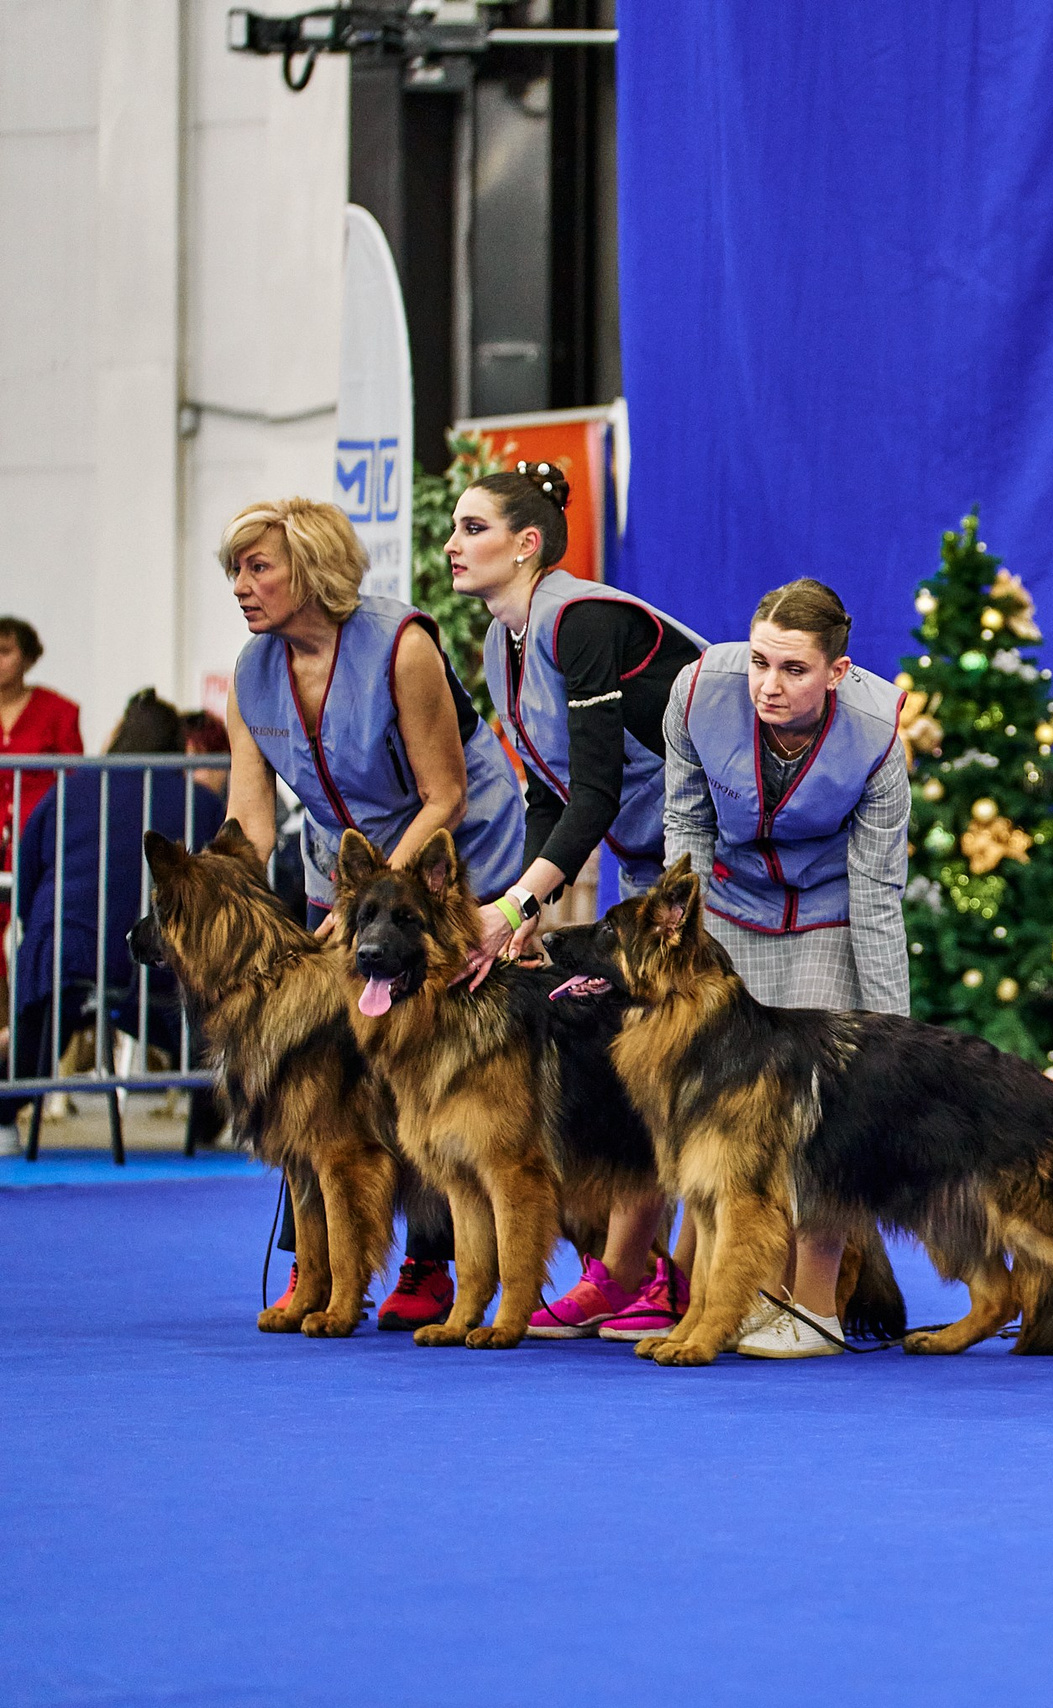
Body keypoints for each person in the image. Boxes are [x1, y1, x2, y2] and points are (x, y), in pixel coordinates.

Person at [221, 496, 527, 1330]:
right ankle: (316, 1261)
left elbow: (446, 794)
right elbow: (248, 825)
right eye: (235, 572)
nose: (242, 588)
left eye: (259, 568)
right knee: (339, 1070)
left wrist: (367, 911)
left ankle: (433, 1261)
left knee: (435, 1059)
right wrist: (220, 896)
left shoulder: (403, 645)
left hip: (452, 860)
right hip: (348, 875)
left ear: (312, 568)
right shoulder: (251, 674)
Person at [451, 460, 708, 1339]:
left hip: (712, 865)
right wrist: (523, 910)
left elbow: (595, 792)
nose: (452, 545)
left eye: (473, 528)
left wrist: (520, 909)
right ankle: (631, 1273)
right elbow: (547, 794)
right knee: (643, 1066)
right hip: (647, 859)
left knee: (686, 1069)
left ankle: (664, 1276)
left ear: (528, 545)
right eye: (455, 528)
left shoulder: (585, 620)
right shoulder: (499, 641)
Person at [659, 578, 911, 1357]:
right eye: (761, 662)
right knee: (728, 1126)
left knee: (819, 1130)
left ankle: (813, 1311)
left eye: (794, 670)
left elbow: (877, 891)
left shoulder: (877, 733)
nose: (768, 685)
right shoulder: (698, 691)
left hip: (828, 915)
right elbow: (686, 821)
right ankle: (746, 1299)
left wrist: (890, 1032)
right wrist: (681, 943)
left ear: (836, 672)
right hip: (727, 914)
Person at [6, 691, 224, 1143]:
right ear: (176, 747)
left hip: (68, 953)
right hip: (165, 965)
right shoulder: (200, 802)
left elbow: (27, 879)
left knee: (37, 1032)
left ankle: (7, 1111)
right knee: (205, 1022)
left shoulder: (71, 787)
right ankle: (205, 1126)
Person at [0, 614, 83, 871]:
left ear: (28, 658)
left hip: (40, 837)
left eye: (4, 652)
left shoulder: (59, 711)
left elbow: (74, 779)